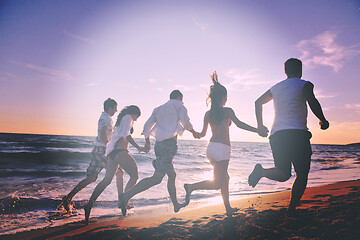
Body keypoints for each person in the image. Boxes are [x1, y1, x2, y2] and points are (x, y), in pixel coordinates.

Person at [248, 58, 329, 216]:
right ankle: (291, 209)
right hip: (297, 134)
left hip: (277, 135)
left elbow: (258, 102)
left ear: (285, 71)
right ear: (300, 70)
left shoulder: (276, 88)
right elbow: (312, 101)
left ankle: (262, 172)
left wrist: (260, 126)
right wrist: (322, 119)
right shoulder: (304, 84)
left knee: (284, 173)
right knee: (302, 173)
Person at [183, 72, 267, 215]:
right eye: (226, 97)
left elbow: (202, 134)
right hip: (222, 150)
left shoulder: (208, 114)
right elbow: (240, 124)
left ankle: (228, 208)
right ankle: (191, 187)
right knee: (217, 183)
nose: (227, 99)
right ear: (223, 97)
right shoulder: (227, 111)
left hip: (211, 150)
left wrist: (195, 134)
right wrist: (257, 130)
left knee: (225, 178)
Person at [119, 90, 197, 216]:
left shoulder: (158, 109)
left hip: (159, 146)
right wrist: (194, 132)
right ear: (179, 98)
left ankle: (176, 204)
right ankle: (126, 196)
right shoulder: (179, 105)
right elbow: (186, 122)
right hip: (169, 146)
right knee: (156, 179)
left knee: (172, 175)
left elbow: (147, 126)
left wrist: (147, 141)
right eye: (181, 100)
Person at [84, 105, 148, 222]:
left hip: (112, 154)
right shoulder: (128, 118)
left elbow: (118, 136)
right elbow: (126, 135)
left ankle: (89, 205)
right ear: (133, 113)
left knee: (106, 181)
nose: (136, 120)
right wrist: (139, 147)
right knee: (134, 176)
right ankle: (124, 200)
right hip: (120, 152)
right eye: (136, 117)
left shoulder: (121, 120)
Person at [59, 98, 125, 213]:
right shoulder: (106, 118)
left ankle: (68, 197)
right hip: (103, 151)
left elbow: (106, 134)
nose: (116, 110)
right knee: (119, 172)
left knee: (92, 177)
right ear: (110, 108)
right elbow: (103, 135)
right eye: (115, 108)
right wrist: (109, 149)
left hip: (97, 150)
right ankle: (122, 202)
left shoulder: (104, 117)